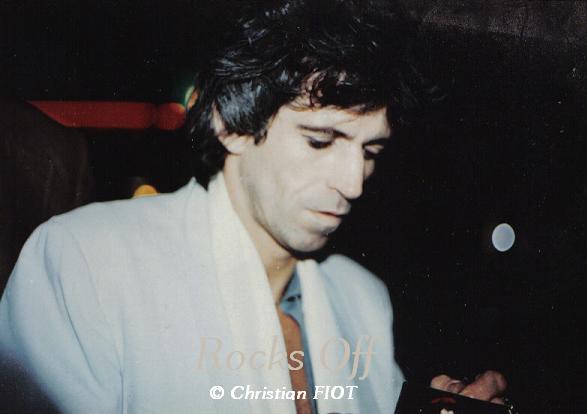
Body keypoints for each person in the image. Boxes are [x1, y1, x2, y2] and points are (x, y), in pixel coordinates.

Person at [0, 1, 506, 413]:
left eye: (370, 151)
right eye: (321, 141)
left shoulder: (364, 298)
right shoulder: (86, 261)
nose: (354, 183)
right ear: (232, 125)